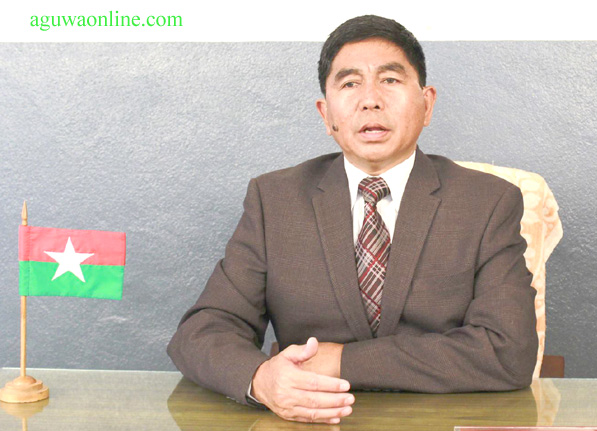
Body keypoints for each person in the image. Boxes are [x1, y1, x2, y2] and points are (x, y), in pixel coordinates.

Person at [167, 15, 538, 424]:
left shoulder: (487, 202)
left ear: (427, 103)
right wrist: (260, 379)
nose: (370, 100)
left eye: (390, 80)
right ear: (326, 114)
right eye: (349, 84)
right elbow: (202, 332)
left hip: (440, 421)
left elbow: (509, 350)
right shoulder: (275, 201)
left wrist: (341, 360)